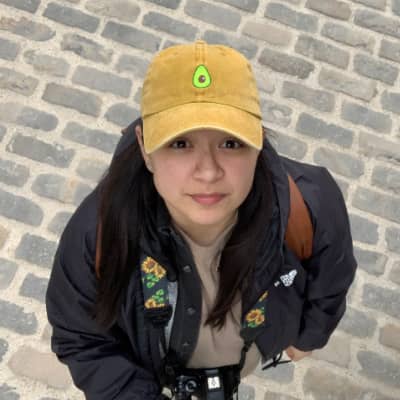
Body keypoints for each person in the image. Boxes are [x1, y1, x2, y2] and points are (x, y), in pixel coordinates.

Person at [45, 40, 357, 400]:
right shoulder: (98, 233)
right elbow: (81, 336)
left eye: (231, 143)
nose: (208, 172)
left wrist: (309, 337)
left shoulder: (310, 205)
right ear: (145, 149)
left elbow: (332, 278)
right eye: (180, 143)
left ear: (258, 142)